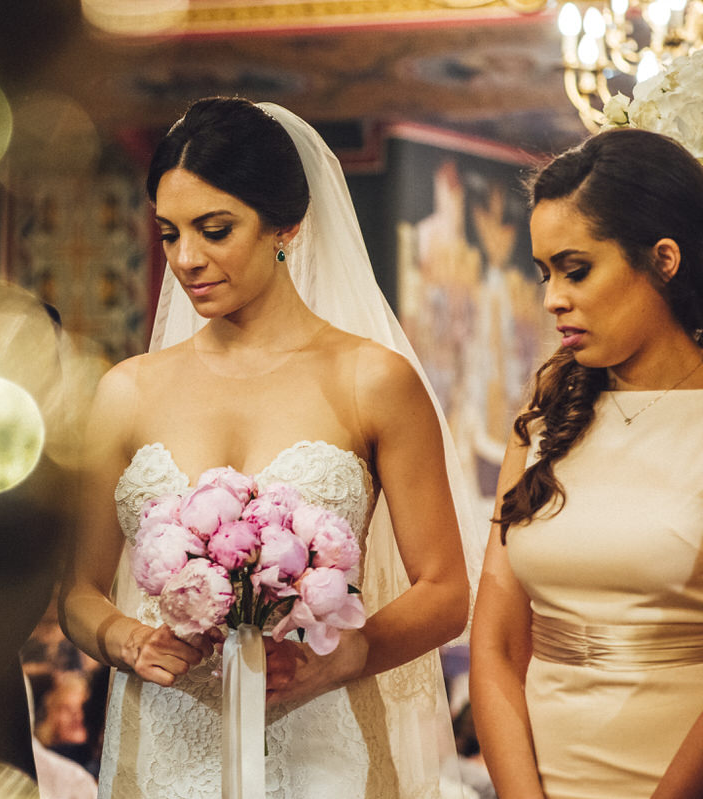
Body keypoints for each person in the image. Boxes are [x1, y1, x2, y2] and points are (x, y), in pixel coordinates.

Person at [58, 96, 480, 798]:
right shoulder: (127, 391)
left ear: (286, 224)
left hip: (324, 742)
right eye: (169, 234)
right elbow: (77, 590)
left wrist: (348, 654)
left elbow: (444, 590)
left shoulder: (371, 379)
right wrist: (124, 638)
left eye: (215, 229)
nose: (187, 259)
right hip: (165, 750)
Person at [469, 127, 703, 799]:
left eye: (576, 269)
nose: (552, 298)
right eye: (545, 273)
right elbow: (496, 646)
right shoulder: (544, 423)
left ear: (663, 259)